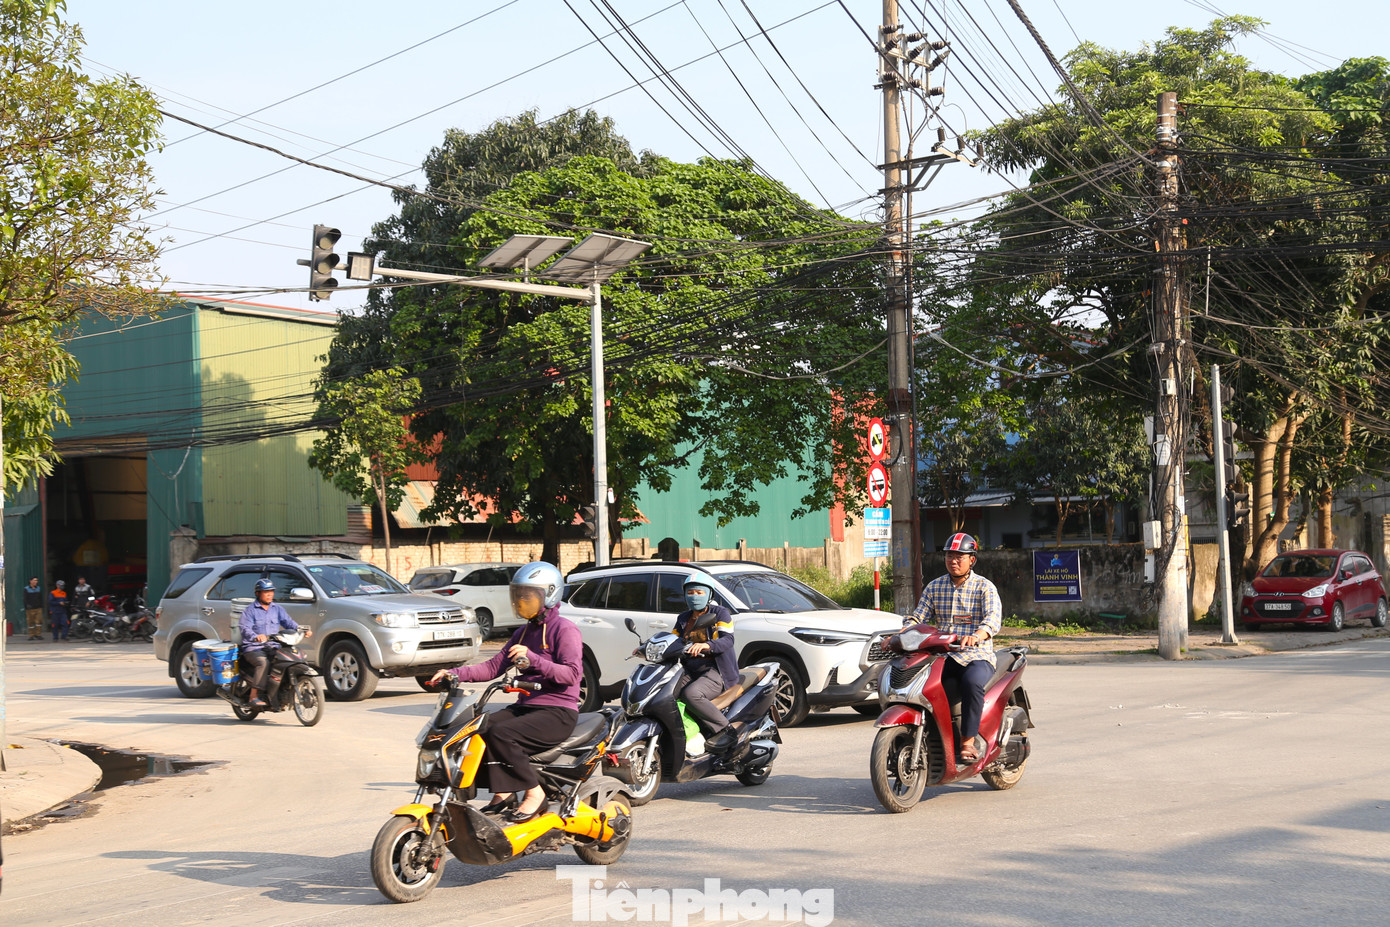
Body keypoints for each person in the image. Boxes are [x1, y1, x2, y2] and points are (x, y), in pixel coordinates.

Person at [429, 561, 581, 824]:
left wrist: (535, 660)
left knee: (502, 733)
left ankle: (534, 794)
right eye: (518, 596)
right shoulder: (523, 633)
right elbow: (493, 667)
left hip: (558, 711)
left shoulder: (564, 629)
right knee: (480, 727)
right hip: (528, 706)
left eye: (529, 596)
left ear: (550, 594)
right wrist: (455, 673)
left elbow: (571, 675)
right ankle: (504, 793)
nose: (521, 602)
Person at [904, 532, 1001, 764]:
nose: (953, 561)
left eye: (959, 556)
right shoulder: (934, 587)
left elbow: (993, 619)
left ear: (972, 560)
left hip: (977, 655)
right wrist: (902, 632)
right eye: (949, 556)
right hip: (944, 656)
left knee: (972, 683)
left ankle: (968, 741)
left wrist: (977, 635)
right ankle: (935, 737)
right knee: (926, 686)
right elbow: (918, 618)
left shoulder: (984, 587)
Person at [665, 573, 738, 745]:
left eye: (699, 592)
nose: (694, 596)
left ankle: (725, 729)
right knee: (666, 692)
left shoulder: (720, 613)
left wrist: (708, 645)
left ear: (709, 595)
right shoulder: (683, 618)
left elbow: (728, 639)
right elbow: (672, 640)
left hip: (716, 670)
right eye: (690, 593)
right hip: (691, 669)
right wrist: (647, 646)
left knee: (691, 694)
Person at [239, 579, 310, 708]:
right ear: (258, 593)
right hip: (254, 647)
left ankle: (281, 691)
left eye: (271, 591)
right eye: (266, 592)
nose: (270, 594)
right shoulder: (250, 610)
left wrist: (301, 630)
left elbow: (288, 622)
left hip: (273, 645)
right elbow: (245, 628)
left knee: (288, 659)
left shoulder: (277, 609)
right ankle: (253, 696)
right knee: (263, 662)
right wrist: (256, 637)